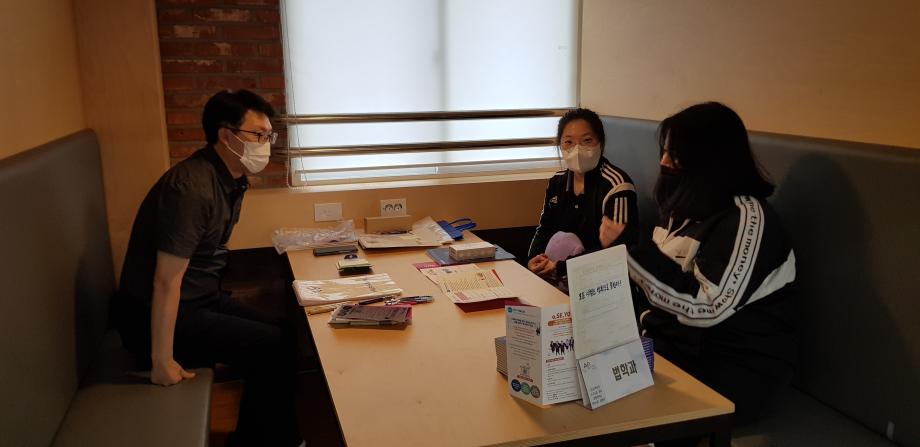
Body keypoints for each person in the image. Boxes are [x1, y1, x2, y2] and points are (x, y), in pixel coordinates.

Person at [113, 90, 304, 447]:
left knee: (284, 332)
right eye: (258, 135)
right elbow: (165, 281)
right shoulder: (191, 188)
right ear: (226, 136)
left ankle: (266, 437)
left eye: (269, 136)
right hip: (156, 313)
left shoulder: (231, 179)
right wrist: (161, 360)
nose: (265, 145)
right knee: (271, 347)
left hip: (198, 298)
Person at [627, 102, 797, 426]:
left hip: (739, 370)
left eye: (676, 155)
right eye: (665, 151)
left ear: (710, 160)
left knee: (615, 407)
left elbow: (708, 307)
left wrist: (633, 255)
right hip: (681, 350)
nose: (664, 162)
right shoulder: (688, 209)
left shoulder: (748, 219)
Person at [527, 108, 639, 284]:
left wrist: (560, 268)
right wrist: (533, 259)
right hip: (559, 277)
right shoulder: (556, 182)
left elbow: (616, 251)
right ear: (560, 146)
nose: (577, 149)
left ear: (600, 142)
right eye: (568, 142)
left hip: (602, 283)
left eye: (587, 140)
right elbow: (545, 228)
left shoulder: (617, 186)